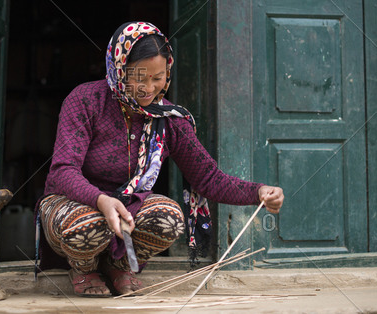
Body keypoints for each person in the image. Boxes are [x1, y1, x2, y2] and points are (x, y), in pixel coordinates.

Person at [35, 22, 284, 297]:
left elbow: (208, 178)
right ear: (119, 69)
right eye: (139, 78)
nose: (149, 89)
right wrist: (102, 201)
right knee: (87, 225)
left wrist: (258, 191)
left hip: (128, 208)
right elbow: (63, 171)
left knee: (169, 216)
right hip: (74, 205)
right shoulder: (85, 101)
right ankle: (84, 269)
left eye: (159, 78)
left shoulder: (167, 119)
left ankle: (119, 266)